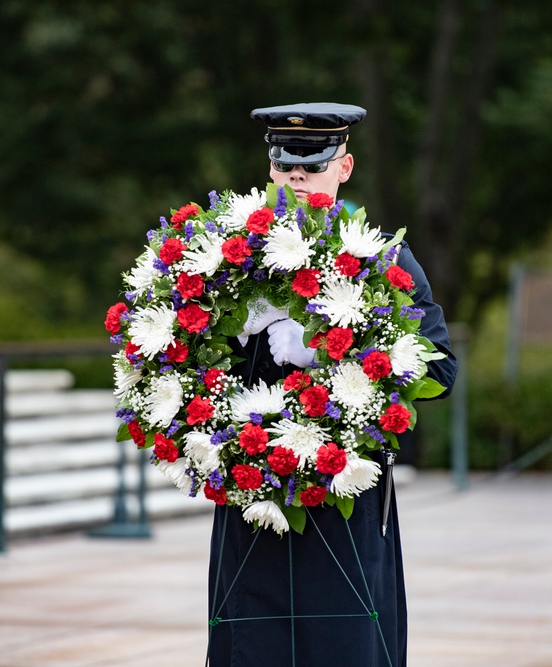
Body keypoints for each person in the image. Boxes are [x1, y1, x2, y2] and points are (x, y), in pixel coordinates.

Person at [206, 102, 457, 667]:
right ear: (270, 169)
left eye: (312, 166)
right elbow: (192, 367)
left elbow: (439, 366)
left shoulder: (381, 257)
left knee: (340, 650)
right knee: (251, 649)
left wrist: (328, 348)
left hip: (342, 503)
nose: (297, 178)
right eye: (285, 166)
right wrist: (234, 337)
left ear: (343, 168)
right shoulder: (227, 262)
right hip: (252, 496)